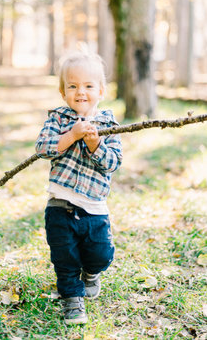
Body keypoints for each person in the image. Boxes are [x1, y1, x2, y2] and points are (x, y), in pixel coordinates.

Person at [35, 51, 122, 325]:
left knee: (100, 253)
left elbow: (113, 162)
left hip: (95, 207)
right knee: (65, 258)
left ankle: (93, 273)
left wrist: (96, 145)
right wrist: (71, 135)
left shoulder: (109, 124)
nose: (80, 92)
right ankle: (72, 300)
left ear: (101, 91)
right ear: (63, 92)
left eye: (88, 86)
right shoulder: (58, 119)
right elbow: (43, 148)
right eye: (72, 86)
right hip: (60, 204)